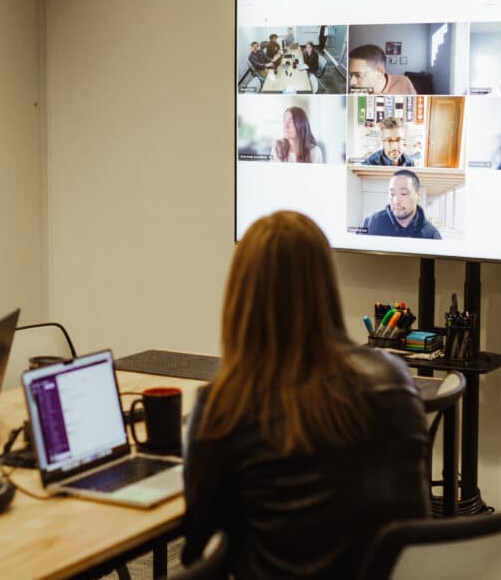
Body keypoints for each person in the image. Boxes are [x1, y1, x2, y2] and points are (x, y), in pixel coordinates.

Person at [183, 211, 428, 578]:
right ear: (326, 285)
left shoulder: (224, 407)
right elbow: (415, 524)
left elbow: (197, 547)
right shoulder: (392, 381)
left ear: (241, 295)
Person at [361, 170, 442, 239]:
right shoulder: (371, 223)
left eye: (403, 194)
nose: (396, 201)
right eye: (392, 194)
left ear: (418, 195)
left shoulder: (431, 235)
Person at [348, 44, 417, 95]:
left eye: (357, 75)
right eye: (351, 75)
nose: (351, 82)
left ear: (380, 72)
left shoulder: (404, 82)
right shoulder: (355, 91)